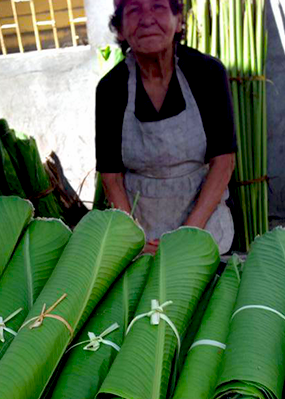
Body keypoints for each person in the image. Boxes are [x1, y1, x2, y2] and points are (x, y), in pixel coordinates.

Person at [96, 0, 237, 254]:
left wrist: (188, 233)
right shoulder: (111, 89)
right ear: (120, 29)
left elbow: (223, 162)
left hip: (204, 228)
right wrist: (133, 238)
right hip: (142, 236)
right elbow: (111, 177)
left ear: (178, 20)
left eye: (158, 6)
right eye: (134, 10)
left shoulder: (207, 73)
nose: (147, 19)